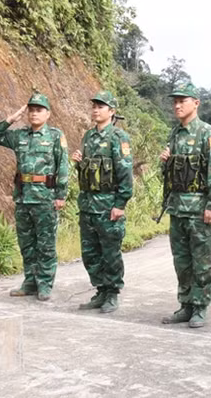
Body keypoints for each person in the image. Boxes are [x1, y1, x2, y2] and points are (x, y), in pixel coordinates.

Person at [0, 92, 69, 301]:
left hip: (45, 197)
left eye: (39, 110)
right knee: (27, 243)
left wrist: (60, 195)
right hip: (23, 197)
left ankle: (44, 284)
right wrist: (11, 119)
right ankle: (30, 282)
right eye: (31, 110)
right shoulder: (20, 136)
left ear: (48, 114)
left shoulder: (54, 136)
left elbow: (63, 166)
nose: (34, 113)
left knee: (46, 244)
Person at [159, 82, 211, 329]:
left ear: (195, 103)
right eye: (175, 101)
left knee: (202, 261)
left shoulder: (208, 134)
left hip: (199, 209)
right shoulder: (174, 134)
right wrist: (164, 162)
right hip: (177, 208)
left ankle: (200, 307)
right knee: (182, 262)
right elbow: (167, 174)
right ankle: (185, 305)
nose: (177, 105)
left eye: (182, 101)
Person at [72, 91, 134, 313]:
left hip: (108, 205)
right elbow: (89, 172)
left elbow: (125, 173)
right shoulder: (88, 136)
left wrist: (120, 204)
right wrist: (79, 163)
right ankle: (100, 290)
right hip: (88, 204)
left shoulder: (118, 137)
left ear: (112, 111)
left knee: (110, 252)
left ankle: (112, 293)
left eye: (101, 106)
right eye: (94, 106)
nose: (96, 109)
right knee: (90, 252)